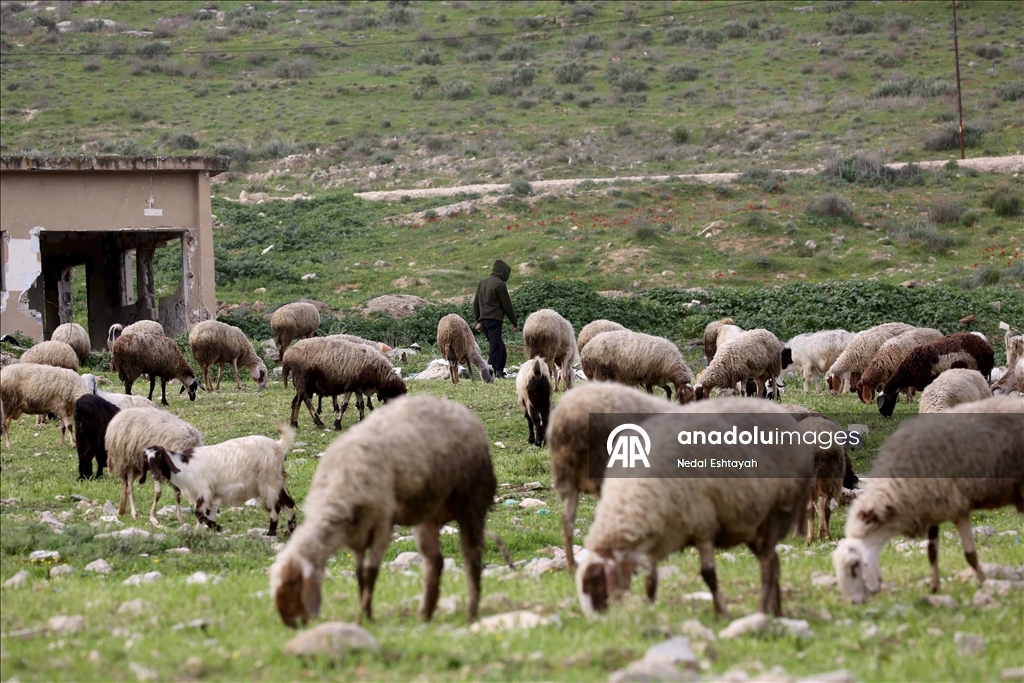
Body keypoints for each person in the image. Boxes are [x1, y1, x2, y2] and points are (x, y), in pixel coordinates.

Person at [473, 259, 519, 378]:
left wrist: (478, 320)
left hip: (484, 321)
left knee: (499, 346)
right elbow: (507, 306)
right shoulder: (500, 284)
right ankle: (488, 373)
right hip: (494, 320)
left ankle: (499, 370)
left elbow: (476, 303)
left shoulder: (482, 282)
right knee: (495, 348)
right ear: (504, 272)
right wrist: (515, 323)